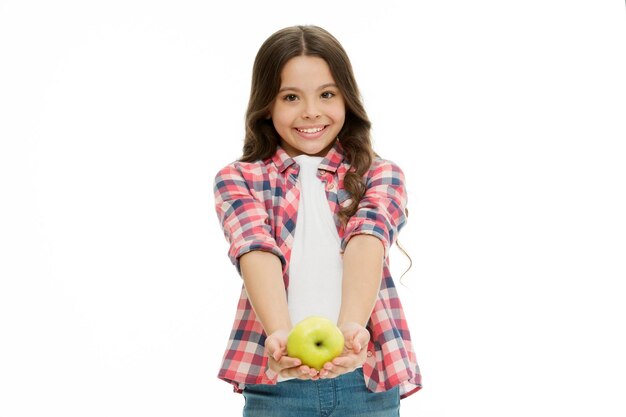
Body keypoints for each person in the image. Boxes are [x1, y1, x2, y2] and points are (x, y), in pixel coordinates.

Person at [213, 25, 421, 417]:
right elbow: (255, 250)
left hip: (368, 381)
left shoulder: (381, 174)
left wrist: (352, 333)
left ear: (347, 99)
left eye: (326, 94)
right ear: (266, 105)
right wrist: (278, 336)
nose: (310, 111)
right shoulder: (239, 179)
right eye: (291, 97)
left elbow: (368, 240)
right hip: (276, 384)